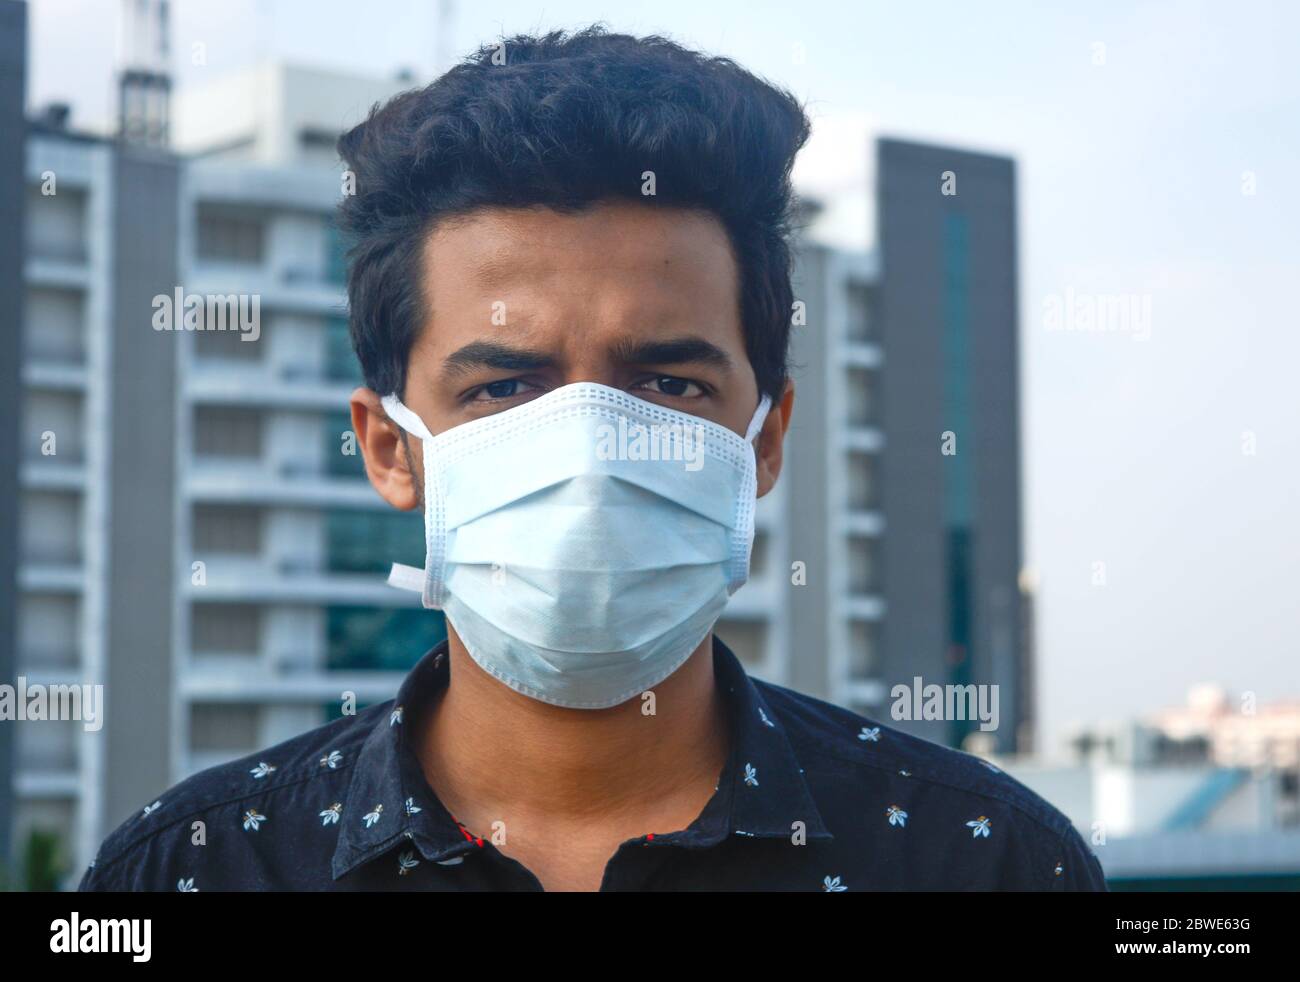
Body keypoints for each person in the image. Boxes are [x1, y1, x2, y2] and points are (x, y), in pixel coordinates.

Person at [80, 25, 1105, 892]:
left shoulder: (984, 861)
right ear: (391, 450)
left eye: (668, 383)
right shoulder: (189, 870)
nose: (587, 453)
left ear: (765, 441)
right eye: (504, 386)